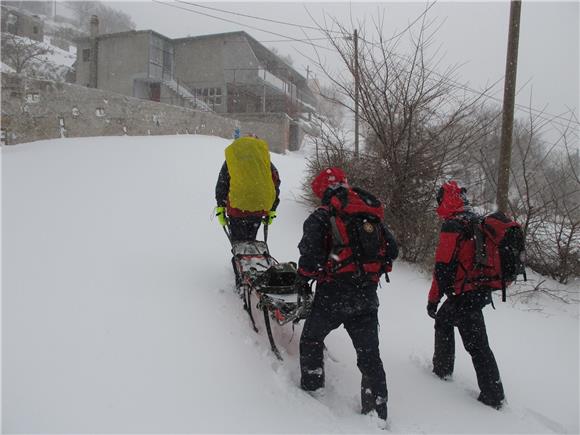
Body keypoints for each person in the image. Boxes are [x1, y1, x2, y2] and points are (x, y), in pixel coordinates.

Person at [293, 167, 398, 421]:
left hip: (333, 294)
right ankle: (377, 409)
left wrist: (304, 278)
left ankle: (313, 387)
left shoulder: (322, 216)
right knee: (370, 354)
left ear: (322, 191)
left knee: (311, 339)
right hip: (367, 296)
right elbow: (392, 250)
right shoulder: (370, 216)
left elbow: (309, 259)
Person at [427, 180, 505, 409]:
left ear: (447, 199)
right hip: (479, 290)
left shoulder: (453, 225)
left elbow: (442, 268)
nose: (439, 202)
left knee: (471, 340)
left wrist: (433, 299)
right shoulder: (476, 221)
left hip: (465, 294)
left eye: (440, 199)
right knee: (453, 325)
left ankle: (491, 395)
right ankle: (446, 371)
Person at [215, 135, 280, 242]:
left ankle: (242, 257)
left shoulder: (233, 161)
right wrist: (272, 208)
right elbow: (274, 183)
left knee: (238, 242)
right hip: (259, 207)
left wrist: (220, 207)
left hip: (237, 209)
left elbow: (222, 184)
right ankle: (251, 256)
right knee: (251, 239)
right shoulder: (264, 162)